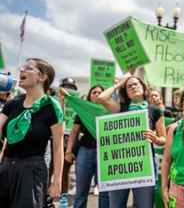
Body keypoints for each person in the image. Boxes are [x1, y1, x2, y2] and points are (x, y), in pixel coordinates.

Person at [0, 58, 64, 207]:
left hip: (32, 171)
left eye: (28, 68)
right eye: (22, 67)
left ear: (42, 77)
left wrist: (57, 181)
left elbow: (58, 147)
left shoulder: (52, 107)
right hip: (7, 167)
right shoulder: (13, 103)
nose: (22, 70)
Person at [97, 75, 166, 208]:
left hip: (144, 166)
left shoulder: (155, 110)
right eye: (129, 86)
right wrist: (118, 84)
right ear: (126, 92)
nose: (133, 87)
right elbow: (101, 98)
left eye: (136, 84)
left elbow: (164, 139)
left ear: (144, 88)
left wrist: (156, 139)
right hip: (120, 166)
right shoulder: (120, 108)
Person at [65, 85, 109, 208]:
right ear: (89, 95)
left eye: (100, 92)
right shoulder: (82, 112)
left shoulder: (109, 111)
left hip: (105, 153)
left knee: (105, 191)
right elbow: (74, 133)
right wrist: (68, 151)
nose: (97, 94)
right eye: (94, 92)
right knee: (81, 191)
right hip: (85, 152)